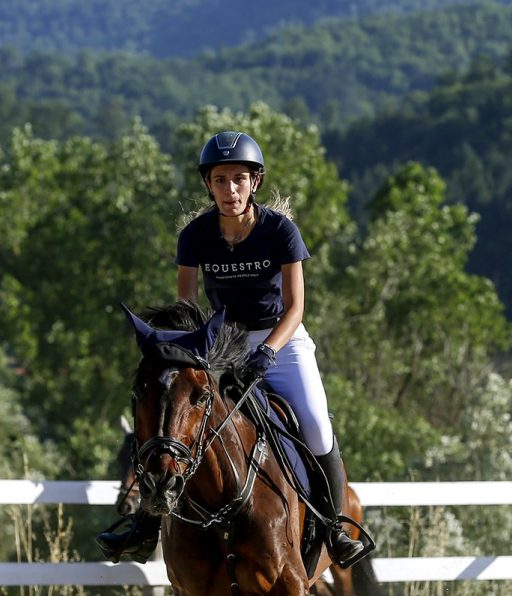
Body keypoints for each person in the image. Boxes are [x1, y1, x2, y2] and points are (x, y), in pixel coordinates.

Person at [98, 130, 368, 568]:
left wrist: (268, 353)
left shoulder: (280, 231)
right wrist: (202, 357)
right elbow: (187, 312)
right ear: (209, 185)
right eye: (220, 180)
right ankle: (147, 525)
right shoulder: (195, 236)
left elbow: (296, 307)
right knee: (177, 424)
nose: (230, 190)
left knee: (317, 426)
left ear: (255, 183)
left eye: (239, 179)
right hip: (222, 345)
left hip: (282, 340)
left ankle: (334, 528)